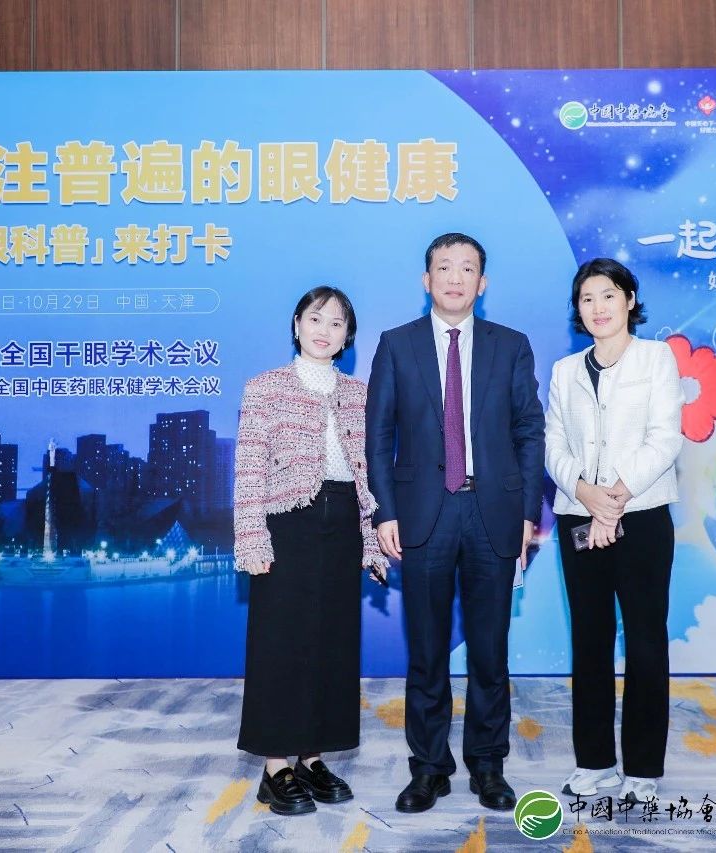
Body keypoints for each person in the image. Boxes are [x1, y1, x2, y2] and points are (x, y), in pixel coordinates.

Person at [366, 233, 545, 813]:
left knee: (490, 652)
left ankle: (488, 766)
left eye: (467, 268)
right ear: (427, 280)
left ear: (482, 284)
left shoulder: (510, 345)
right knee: (426, 651)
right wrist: (386, 510)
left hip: (494, 514)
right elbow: (379, 435)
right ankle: (428, 769)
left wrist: (527, 514)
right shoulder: (396, 344)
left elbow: (529, 432)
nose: (455, 277)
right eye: (444, 267)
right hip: (424, 515)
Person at [233, 286, 389, 816]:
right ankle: (275, 767)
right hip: (287, 524)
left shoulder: (359, 393)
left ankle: (312, 757)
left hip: (343, 522)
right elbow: (249, 470)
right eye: (316, 318)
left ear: (348, 337)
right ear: (297, 324)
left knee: (332, 643)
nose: (325, 330)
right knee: (281, 644)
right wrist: (251, 537)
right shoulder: (265, 388)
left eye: (337, 323)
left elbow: (367, 476)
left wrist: (370, 540)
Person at [543, 257, 684, 804]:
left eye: (608, 295)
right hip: (579, 515)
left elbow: (665, 437)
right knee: (590, 641)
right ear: (577, 309)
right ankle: (595, 762)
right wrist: (586, 494)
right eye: (587, 298)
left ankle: (643, 769)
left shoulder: (656, 358)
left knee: (646, 642)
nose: (598, 307)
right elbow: (554, 444)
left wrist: (616, 498)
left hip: (642, 516)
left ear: (629, 299)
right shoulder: (564, 371)